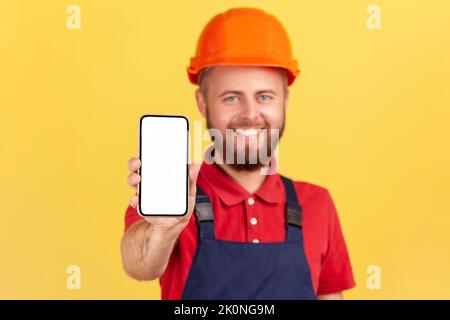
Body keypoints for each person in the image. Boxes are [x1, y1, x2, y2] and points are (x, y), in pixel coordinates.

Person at [121, 7, 355, 300]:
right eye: (231, 97)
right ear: (203, 102)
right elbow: (139, 267)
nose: (249, 114)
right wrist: (165, 231)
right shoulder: (175, 195)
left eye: (264, 96)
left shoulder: (317, 204)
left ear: (286, 101)